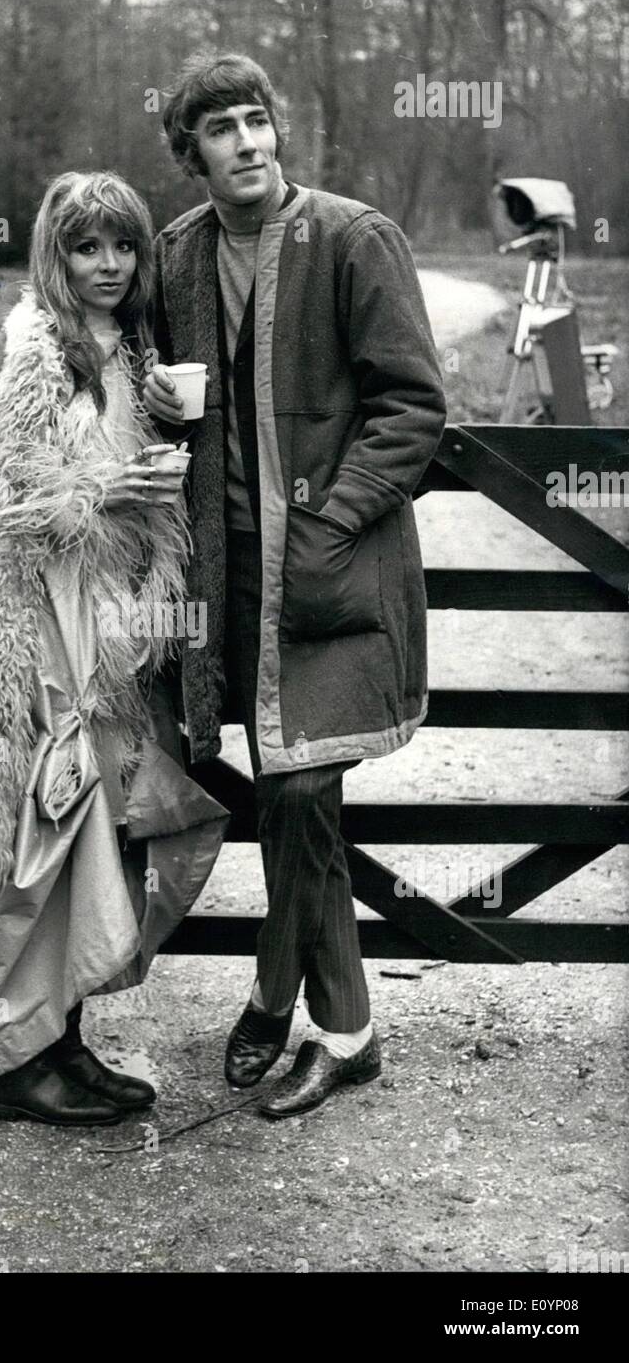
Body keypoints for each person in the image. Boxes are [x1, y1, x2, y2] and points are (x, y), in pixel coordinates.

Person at [144, 54, 447, 1119]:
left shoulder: (354, 237)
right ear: (191, 155)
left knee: (305, 793)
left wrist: (324, 517)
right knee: (284, 802)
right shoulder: (176, 256)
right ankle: (295, 1002)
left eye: (257, 119)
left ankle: (311, 1014)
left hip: (330, 571)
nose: (249, 142)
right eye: (221, 128)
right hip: (229, 587)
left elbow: (412, 406)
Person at [0, 171, 229, 1127]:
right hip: (26, 645)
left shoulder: (131, 361)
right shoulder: (0, 366)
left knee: (90, 845)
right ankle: (1, 1066)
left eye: (123, 248)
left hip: (106, 651)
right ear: (55, 251)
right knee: (14, 857)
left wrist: (168, 445)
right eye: (87, 248)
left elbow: (137, 499)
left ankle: (59, 1041)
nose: (109, 266)